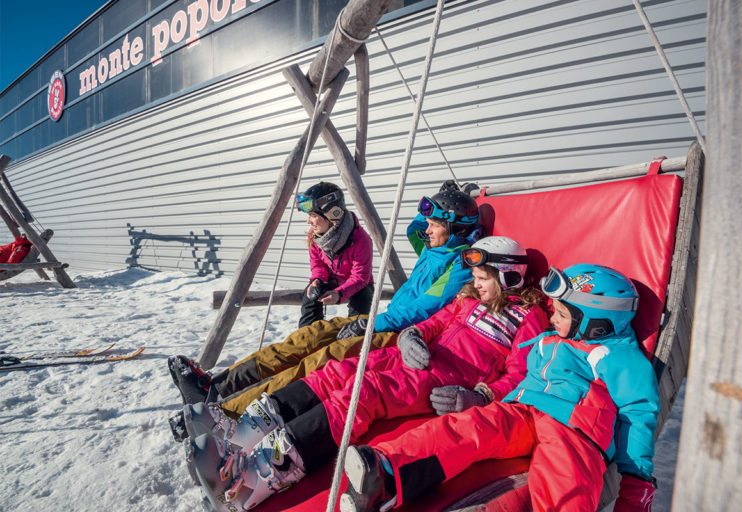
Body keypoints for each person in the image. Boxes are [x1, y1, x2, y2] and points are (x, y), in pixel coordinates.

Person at [185, 237, 550, 512]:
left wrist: (481, 395)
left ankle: (260, 474)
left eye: (484, 277)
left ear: (509, 276)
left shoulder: (529, 317)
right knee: (341, 369)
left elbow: (520, 374)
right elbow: (435, 323)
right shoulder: (469, 299)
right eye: (475, 275)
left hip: (444, 382)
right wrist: (413, 336)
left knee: (365, 392)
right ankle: (247, 431)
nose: (477, 282)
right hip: (414, 357)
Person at [338, 263, 660, 512]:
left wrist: (636, 487)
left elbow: (639, 416)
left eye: (562, 313)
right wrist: (488, 397)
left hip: (575, 432)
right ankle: (386, 471)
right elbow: (518, 371)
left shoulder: (622, 359)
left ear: (597, 322)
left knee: (566, 487)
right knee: (465, 428)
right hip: (522, 408)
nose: (553, 317)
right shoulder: (552, 338)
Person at [168, 183, 480, 424]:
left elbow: (423, 309)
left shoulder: (462, 263)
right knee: (306, 336)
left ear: (455, 230)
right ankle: (214, 387)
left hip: (398, 333)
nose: (426, 229)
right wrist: (445, 196)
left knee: (320, 359)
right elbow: (415, 227)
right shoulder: (432, 246)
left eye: (435, 224)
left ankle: (228, 413)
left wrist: (368, 322)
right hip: (381, 320)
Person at [295, 182, 374, 328]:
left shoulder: (360, 239)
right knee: (310, 294)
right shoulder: (314, 236)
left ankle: (354, 337)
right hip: (332, 280)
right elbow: (318, 264)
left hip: (358, 284)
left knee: (362, 300)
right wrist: (318, 279)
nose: (308, 221)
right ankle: (308, 335)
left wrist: (339, 294)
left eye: (312, 215)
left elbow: (360, 277)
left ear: (333, 214)